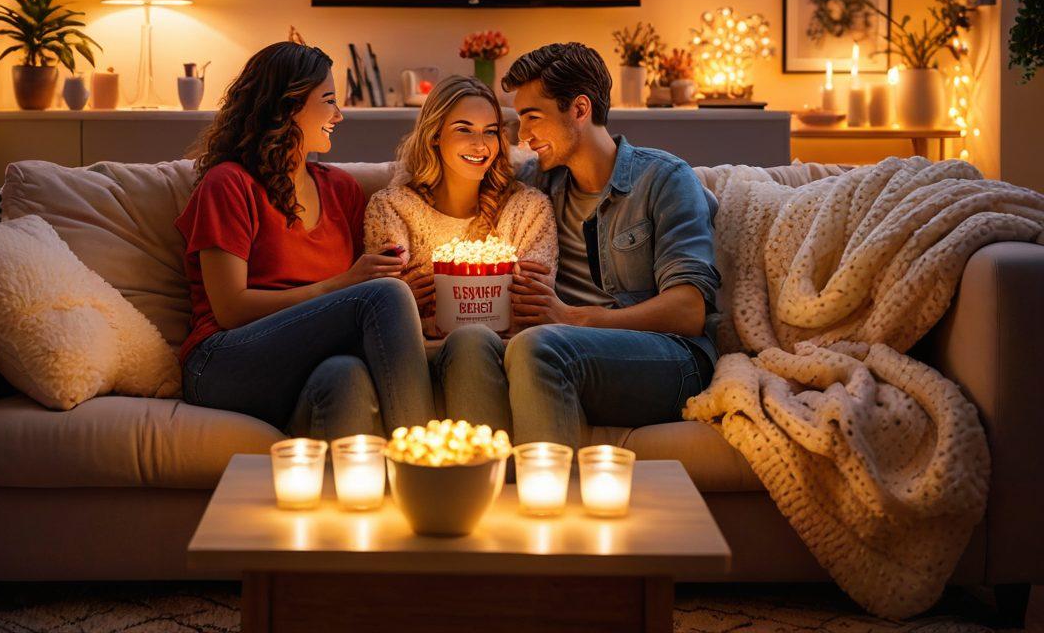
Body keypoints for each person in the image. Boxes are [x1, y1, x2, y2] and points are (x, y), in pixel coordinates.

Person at [441, 43, 721, 448]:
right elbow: (458, 176)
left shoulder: (664, 180)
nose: (524, 136)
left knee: (537, 346)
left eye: (533, 118)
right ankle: (484, 489)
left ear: (579, 109)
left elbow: (688, 310)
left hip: (670, 357)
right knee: (475, 344)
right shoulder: (537, 185)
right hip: (564, 345)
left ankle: (551, 501)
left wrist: (573, 317)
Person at [175, 42, 436, 441]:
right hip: (221, 360)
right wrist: (346, 284)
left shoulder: (341, 190)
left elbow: (343, 314)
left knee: (343, 375)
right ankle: (426, 458)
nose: (339, 115)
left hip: (302, 364)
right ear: (287, 105)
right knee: (381, 295)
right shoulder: (229, 183)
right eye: (328, 100)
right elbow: (230, 308)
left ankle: (345, 496)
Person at [363, 74, 557, 431]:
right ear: (435, 134)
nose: (480, 144)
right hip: (415, 360)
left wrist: (452, 311)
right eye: (465, 129)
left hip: (503, 358)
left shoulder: (527, 209)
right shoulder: (393, 208)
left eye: (491, 131)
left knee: (471, 339)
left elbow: (531, 311)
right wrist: (422, 319)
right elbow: (383, 314)